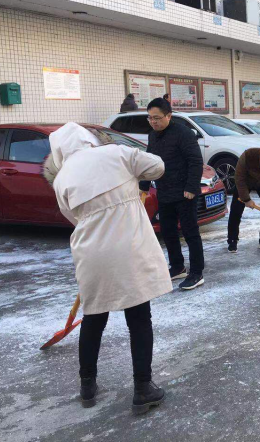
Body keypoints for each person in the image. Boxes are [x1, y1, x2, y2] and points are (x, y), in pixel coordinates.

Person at [43, 122, 171, 414]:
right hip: (129, 249)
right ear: (89, 139)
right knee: (139, 318)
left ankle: (87, 385)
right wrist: (131, 175)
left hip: (91, 253)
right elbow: (158, 167)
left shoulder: (62, 178)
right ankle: (143, 389)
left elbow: (72, 216)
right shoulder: (117, 153)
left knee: (94, 318)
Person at [139, 98, 205, 290]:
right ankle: (177, 267)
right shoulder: (153, 136)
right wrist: (144, 184)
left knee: (190, 232)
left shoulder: (184, 134)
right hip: (165, 191)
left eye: (157, 118)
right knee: (168, 232)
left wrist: (191, 187)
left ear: (169, 116)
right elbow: (149, 160)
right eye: (150, 118)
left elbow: (195, 161)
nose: (153, 122)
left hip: (185, 193)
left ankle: (197, 273)